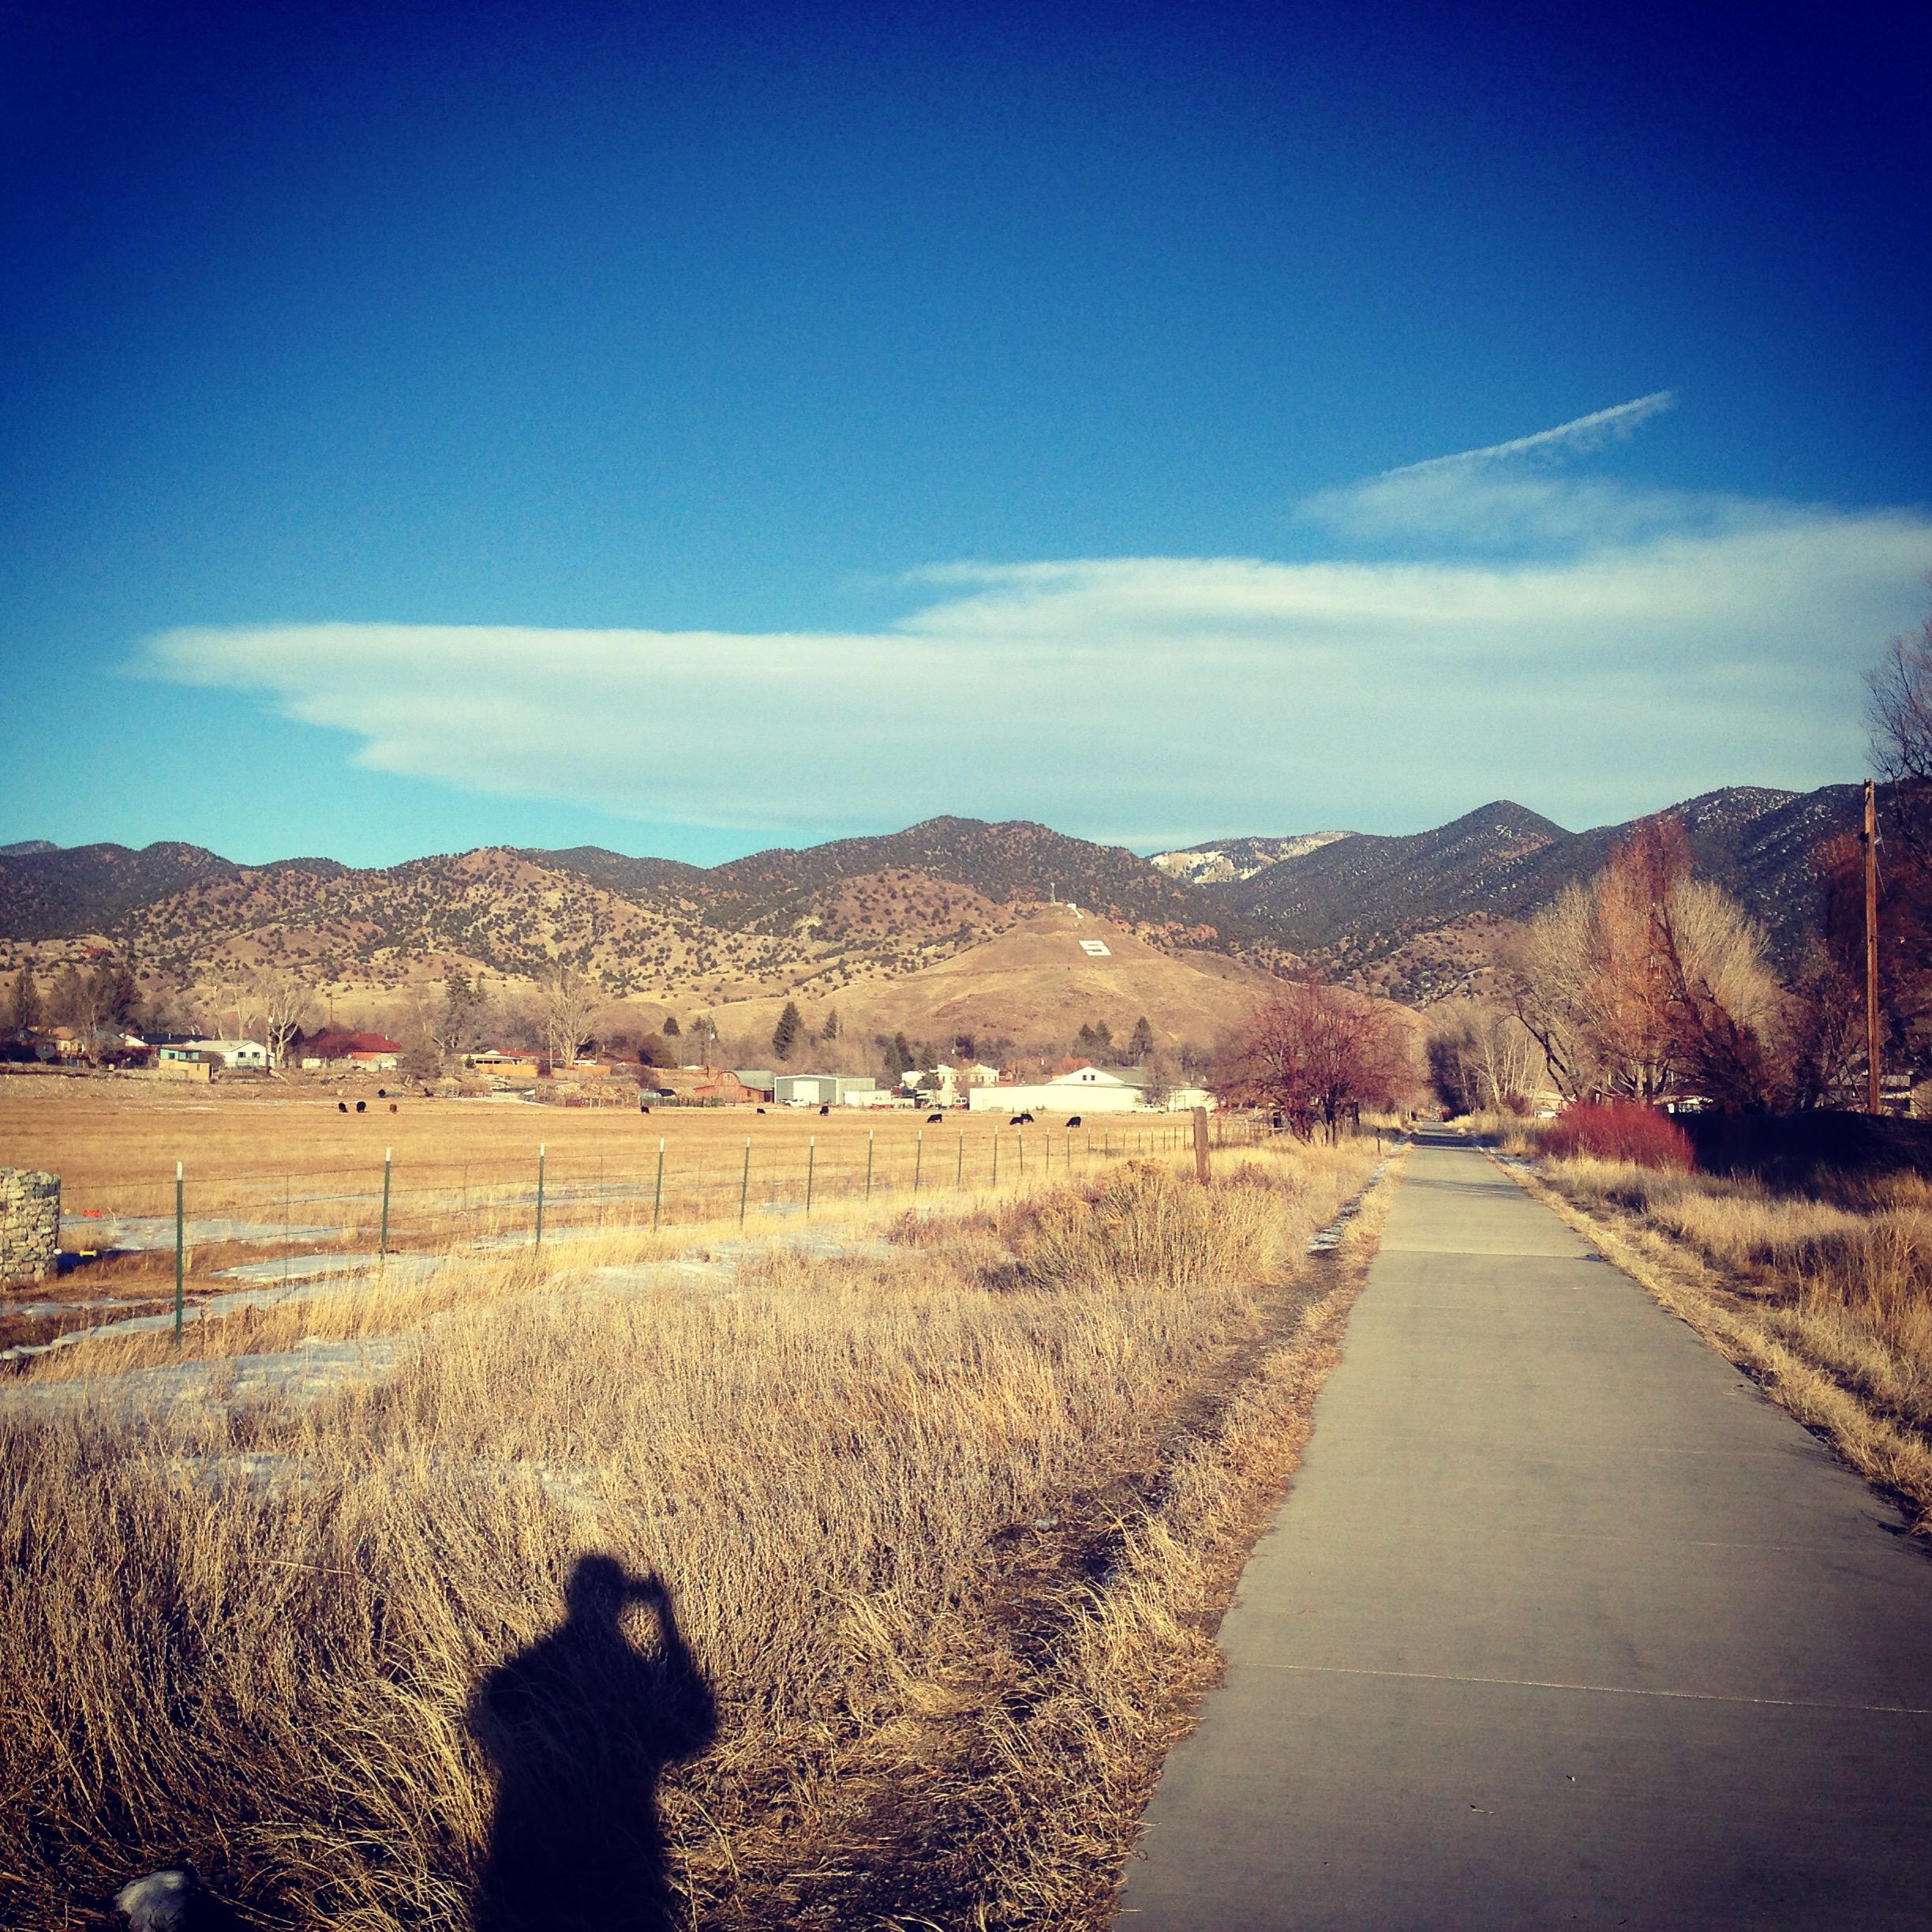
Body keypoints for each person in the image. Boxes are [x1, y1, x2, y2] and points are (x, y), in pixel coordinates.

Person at [469, 1558, 716, 1932]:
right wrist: (666, 1616)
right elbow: (697, 1731)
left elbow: (486, 1715)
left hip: (529, 1844)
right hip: (626, 1838)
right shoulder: (626, 1666)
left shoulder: (525, 1667)